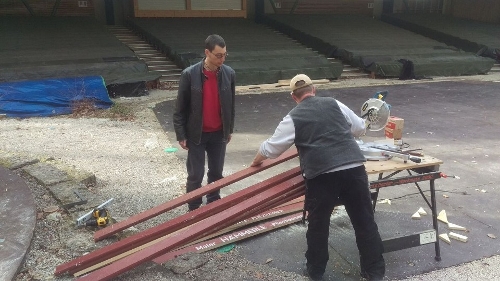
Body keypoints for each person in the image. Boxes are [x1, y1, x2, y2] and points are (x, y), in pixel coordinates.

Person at [250, 74, 385, 280]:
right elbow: (359, 128)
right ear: (314, 90)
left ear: (293, 97)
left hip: (322, 175)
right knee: (365, 221)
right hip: (353, 169)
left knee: (318, 226)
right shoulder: (335, 104)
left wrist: (256, 161)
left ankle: (316, 271)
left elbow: (271, 149)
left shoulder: (293, 117)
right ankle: (374, 273)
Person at [173, 34, 235, 211]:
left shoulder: (229, 74)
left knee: (216, 173)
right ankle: (194, 208)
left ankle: (214, 204)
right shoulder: (189, 75)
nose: (222, 59)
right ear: (207, 52)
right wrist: (181, 134)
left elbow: (231, 105)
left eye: (224, 55)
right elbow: (180, 108)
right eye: (218, 55)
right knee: (195, 174)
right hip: (196, 133)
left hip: (218, 133)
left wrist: (228, 129)